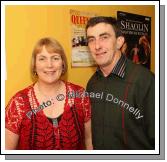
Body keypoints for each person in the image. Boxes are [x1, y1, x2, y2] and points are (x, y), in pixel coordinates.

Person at [5, 37, 93, 150]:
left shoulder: (80, 96)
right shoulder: (18, 103)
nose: (49, 65)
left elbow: (89, 140)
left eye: (55, 58)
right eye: (42, 59)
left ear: (63, 64)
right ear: (35, 65)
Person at [85, 16, 155, 150]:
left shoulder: (146, 81)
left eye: (104, 37)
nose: (97, 46)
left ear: (119, 42)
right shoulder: (92, 83)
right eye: (91, 40)